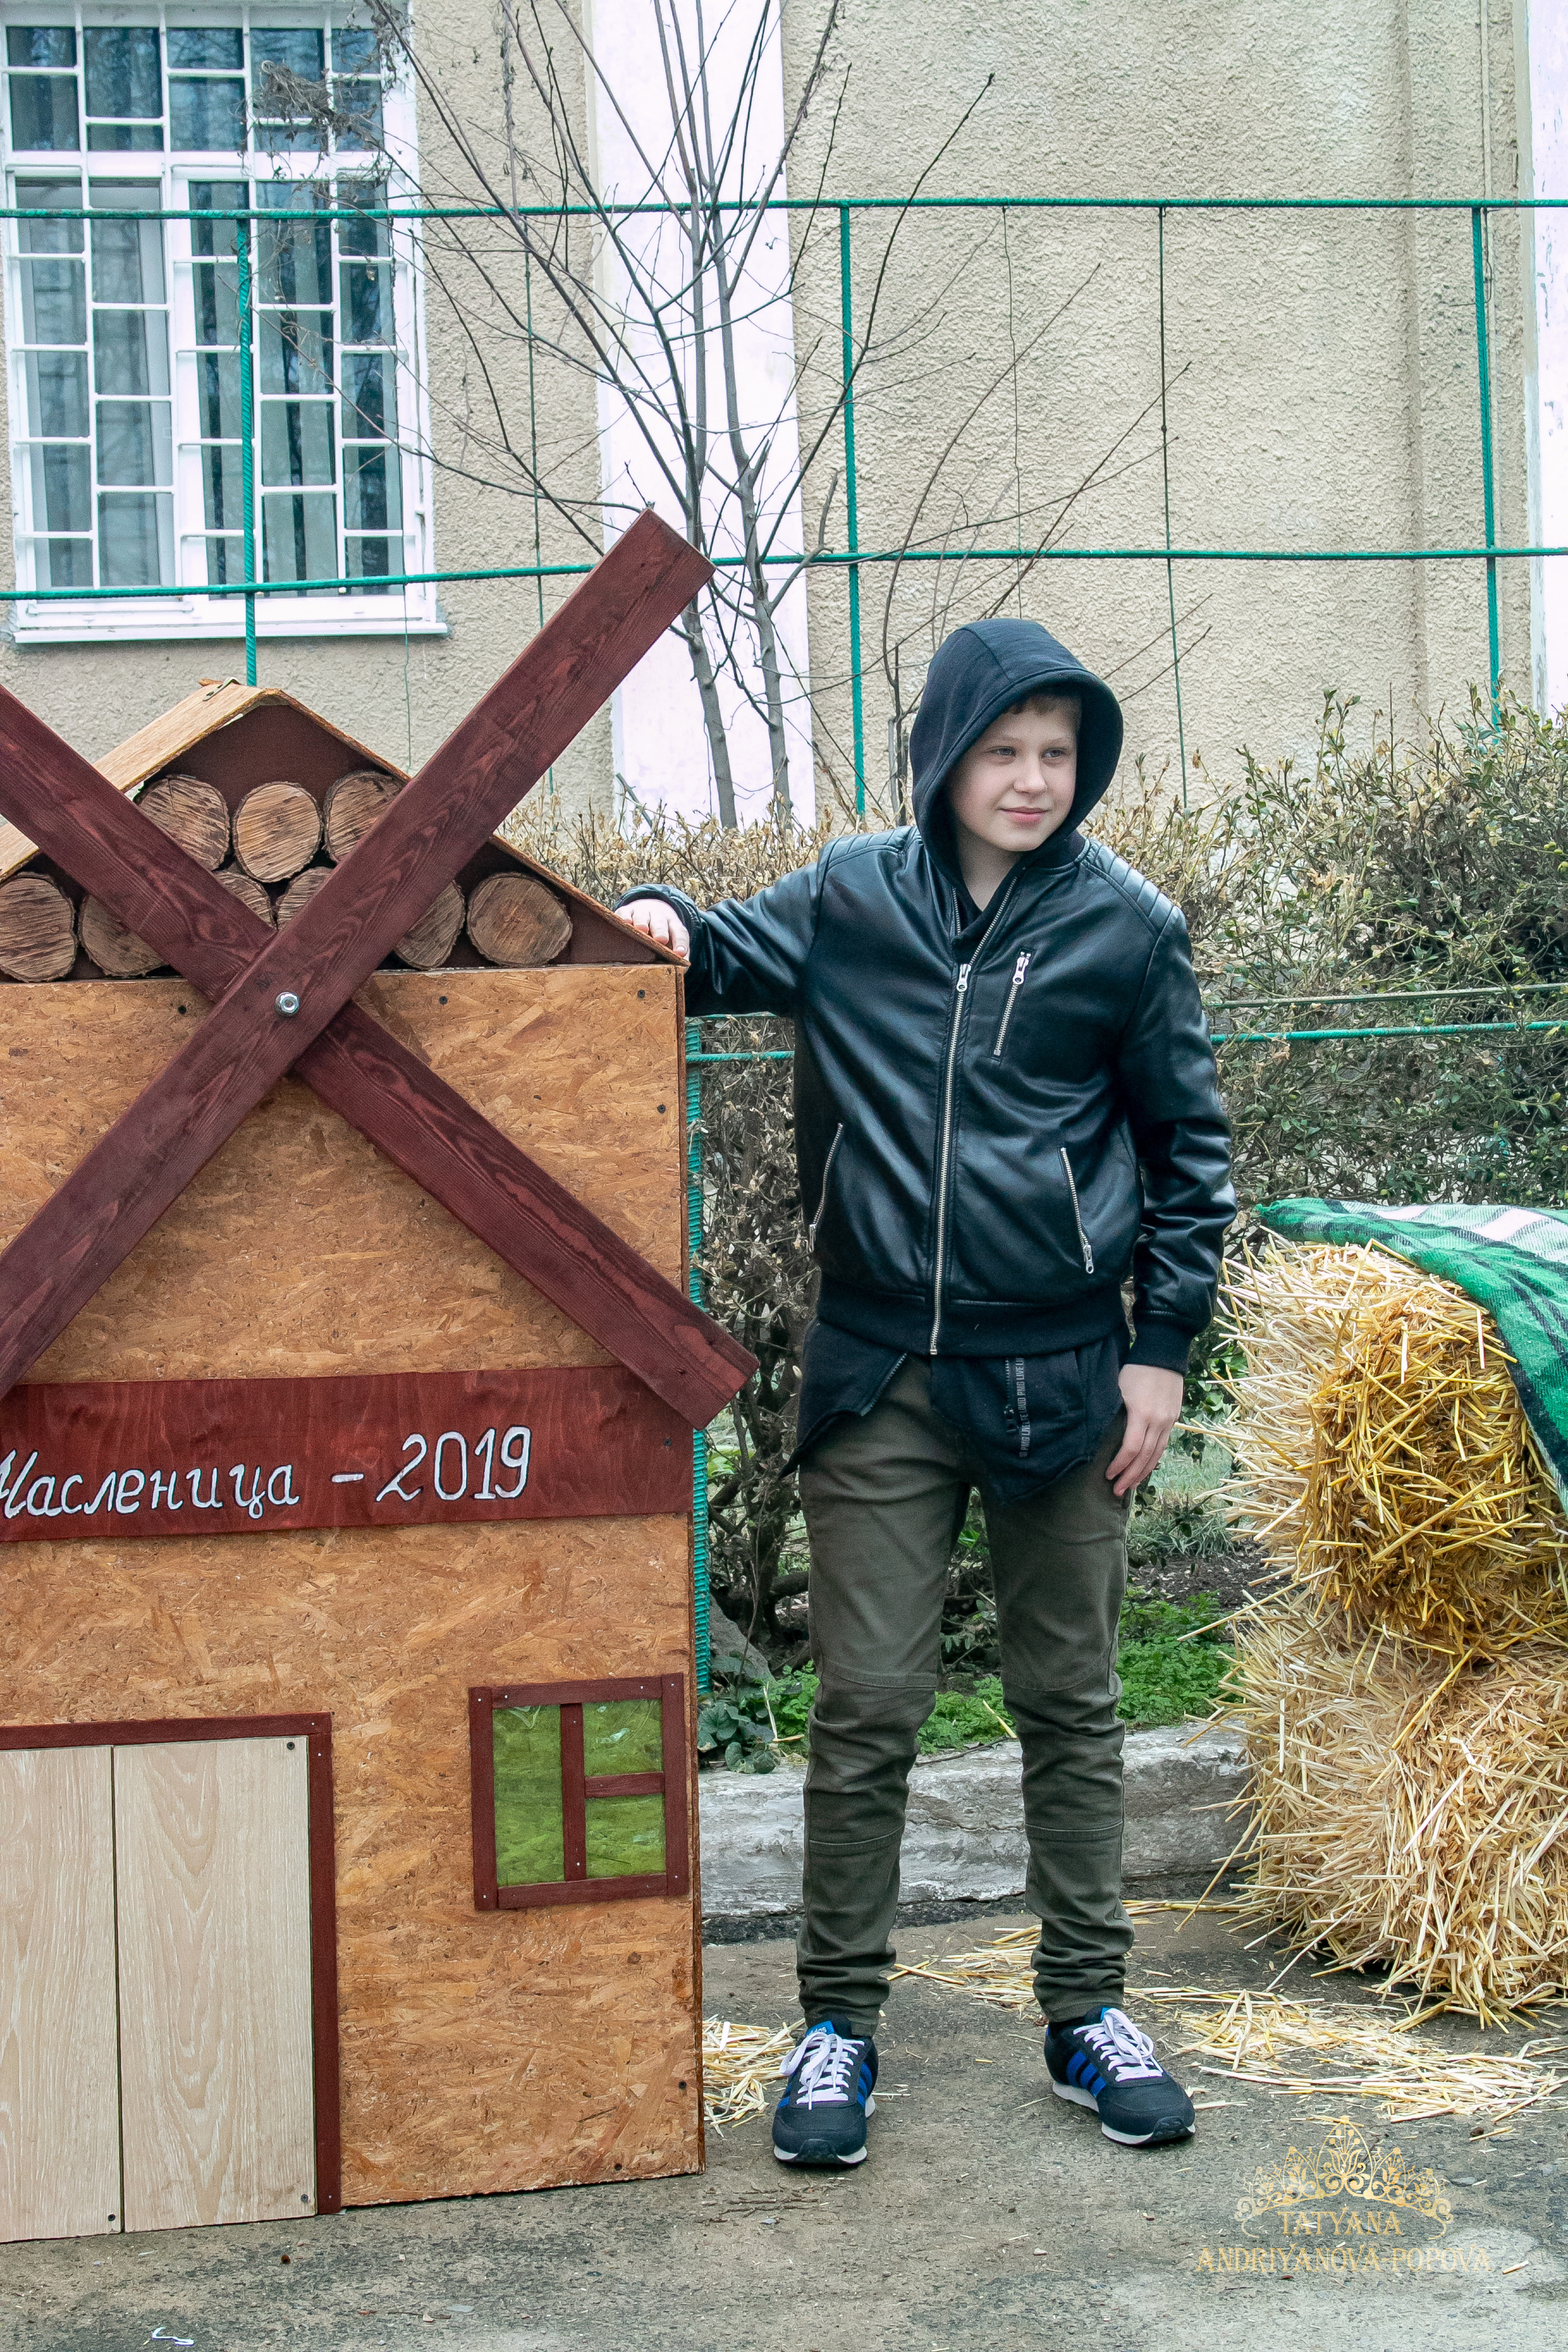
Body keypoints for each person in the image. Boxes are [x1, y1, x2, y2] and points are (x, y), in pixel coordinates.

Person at [620, 616, 1234, 2166]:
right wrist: (651, 914)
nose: (1032, 781)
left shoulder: (1122, 929)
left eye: (1057, 755)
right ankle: (835, 2027)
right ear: (944, 758)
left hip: (1062, 1374)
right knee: (871, 1705)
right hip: (881, 1364)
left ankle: (1086, 2010)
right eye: (1003, 751)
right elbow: (715, 955)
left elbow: (1187, 1158)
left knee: (1070, 1707)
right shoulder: (851, 898)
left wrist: (1157, 1351)